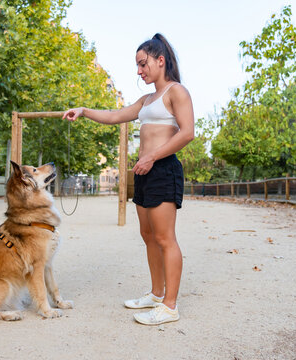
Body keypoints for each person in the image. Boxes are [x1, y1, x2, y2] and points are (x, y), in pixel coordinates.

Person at [63, 33, 194, 325]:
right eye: (137, 65)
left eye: (143, 64)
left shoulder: (177, 92)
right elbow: (114, 115)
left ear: (160, 61)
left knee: (164, 238)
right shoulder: (146, 100)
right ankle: (157, 294)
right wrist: (83, 111)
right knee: (148, 236)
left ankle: (170, 307)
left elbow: (187, 133)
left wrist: (151, 157)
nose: (139, 71)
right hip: (145, 173)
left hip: (163, 170)